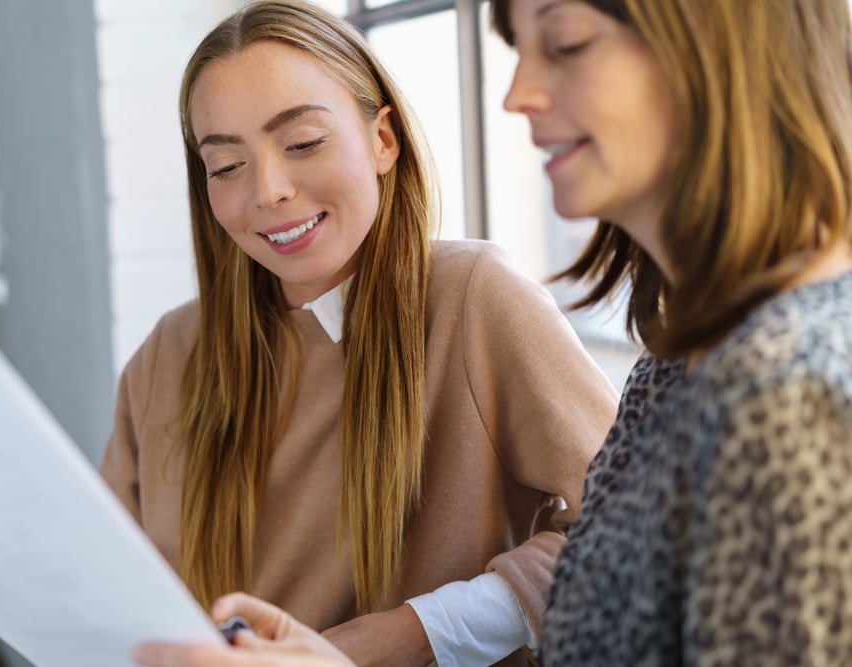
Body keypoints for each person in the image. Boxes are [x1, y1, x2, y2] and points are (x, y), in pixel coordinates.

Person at [129, 0, 852, 665]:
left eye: (565, 42)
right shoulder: (673, 363)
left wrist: (403, 634)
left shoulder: (787, 395)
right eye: (223, 165)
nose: (515, 95)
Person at [101, 1, 618, 666]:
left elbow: (635, 528)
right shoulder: (169, 356)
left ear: (383, 140)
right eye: (226, 165)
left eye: (303, 143)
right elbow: (112, 587)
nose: (269, 190)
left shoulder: (473, 300)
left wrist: (410, 632)